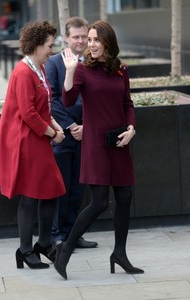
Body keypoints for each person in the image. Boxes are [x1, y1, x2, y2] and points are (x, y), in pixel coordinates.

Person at [54, 20, 145, 280]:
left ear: (108, 42)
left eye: (95, 40)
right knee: (99, 203)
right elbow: (69, 100)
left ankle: (119, 253)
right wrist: (70, 72)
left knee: (125, 198)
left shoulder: (121, 70)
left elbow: (128, 103)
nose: (90, 44)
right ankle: (65, 251)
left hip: (119, 141)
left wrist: (131, 128)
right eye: (89, 40)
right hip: (95, 143)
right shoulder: (82, 70)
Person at [0, 20, 66, 269]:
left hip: (37, 138)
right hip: (26, 141)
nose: (51, 50)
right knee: (32, 195)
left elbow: (43, 107)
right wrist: (52, 134)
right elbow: (28, 113)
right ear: (35, 46)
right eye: (48, 46)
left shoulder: (39, 68)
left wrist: (55, 126)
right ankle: (25, 249)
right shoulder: (23, 72)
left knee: (51, 190)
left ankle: (42, 243)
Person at [45, 17, 98, 249]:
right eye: (75, 37)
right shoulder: (54, 63)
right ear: (66, 38)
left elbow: (97, 98)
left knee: (78, 188)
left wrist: (88, 126)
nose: (80, 41)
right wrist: (71, 127)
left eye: (84, 36)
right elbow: (52, 99)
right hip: (63, 135)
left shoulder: (93, 63)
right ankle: (57, 235)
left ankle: (73, 234)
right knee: (61, 187)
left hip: (89, 134)